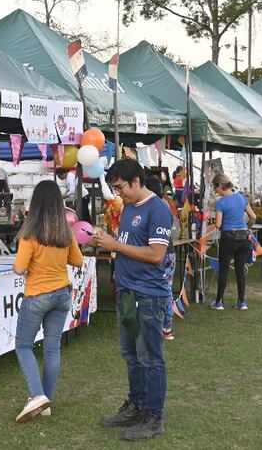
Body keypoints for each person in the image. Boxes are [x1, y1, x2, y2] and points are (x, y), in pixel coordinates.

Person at [92, 158, 172, 441]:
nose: (118, 193)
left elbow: (155, 255)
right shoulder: (128, 208)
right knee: (131, 354)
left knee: (150, 356)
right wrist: (108, 239)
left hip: (148, 296)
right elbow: (128, 244)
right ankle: (136, 406)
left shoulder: (158, 210)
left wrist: (115, 245)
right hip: (126, 292)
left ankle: (153, 416)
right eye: (114, 188)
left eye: (120, 187)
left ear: (136, 181)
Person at [12, 180, 83, 423]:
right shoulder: (65, 232)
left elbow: (19, 268)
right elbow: (78, 261)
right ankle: (45, 401)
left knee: (23, 345)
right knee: (52, 348)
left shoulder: (29, 233)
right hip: (62, 293)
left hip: (38, 295)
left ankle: (37, 395)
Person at [210, 174, 257, 311]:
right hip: (243, 238)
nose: (215, 190)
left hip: (228, 238)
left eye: (215, 187)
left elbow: (218, 224)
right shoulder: (241, 198)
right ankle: (241, 302)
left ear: (220, 186)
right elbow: (253, 217)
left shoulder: (221, 202)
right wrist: (247, 228)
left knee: (223, 270)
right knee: (240, 270)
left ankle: (219, 302)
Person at [145, 173, 177, 341]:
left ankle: (157, 326)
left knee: (154, 288)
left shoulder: (151, 207)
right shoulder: (165, 205)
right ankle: (166, 328)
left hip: (157, 251)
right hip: (169, 250)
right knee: (166, 288)